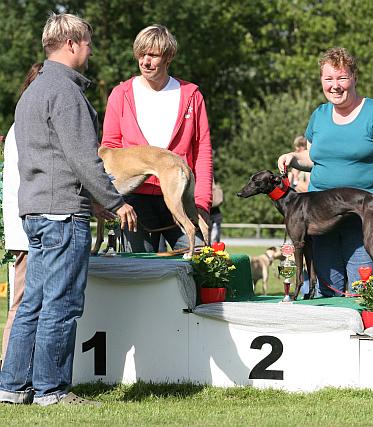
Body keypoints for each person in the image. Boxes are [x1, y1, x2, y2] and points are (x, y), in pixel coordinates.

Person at [0, 13, 136, 406]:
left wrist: (93, 201)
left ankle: (12, 386)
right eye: (88, 44)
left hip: (37, 212)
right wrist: (114, 201)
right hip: (61, 215)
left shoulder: (32, 92)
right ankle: (52, 390)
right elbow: (83, 159)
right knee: (61, 304)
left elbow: (53, 160)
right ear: (72, 43)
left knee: (33, 302)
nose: (90, 52)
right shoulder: (66, 91)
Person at [277, 47, 373, 297]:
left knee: (363, 292)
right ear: (321, 81)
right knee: (326, 291)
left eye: (342, 78)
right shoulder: (319, 115)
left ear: (354, 78)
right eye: (328, 79)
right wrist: (293, 157)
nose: (335, 86)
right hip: (319, 218)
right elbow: (313, 158)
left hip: (364, 217)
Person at [102, 24, 212, 253]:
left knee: (201, 260)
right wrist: (112, 201)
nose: (145, 61)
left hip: (179, 194)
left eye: (153, 55)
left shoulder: (191, 95)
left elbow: (203, 152)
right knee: (139, 269)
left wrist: (202, 202)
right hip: (134, 202)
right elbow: (109, 149)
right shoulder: (120, 94)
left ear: (168, 57)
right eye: (141, 54)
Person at [1, 63, 43, 365]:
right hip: (28, 227)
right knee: (22, 303)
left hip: (25, 225)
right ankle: (9, 366)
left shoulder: (21, 124)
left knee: (23, 302)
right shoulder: (27, 126)